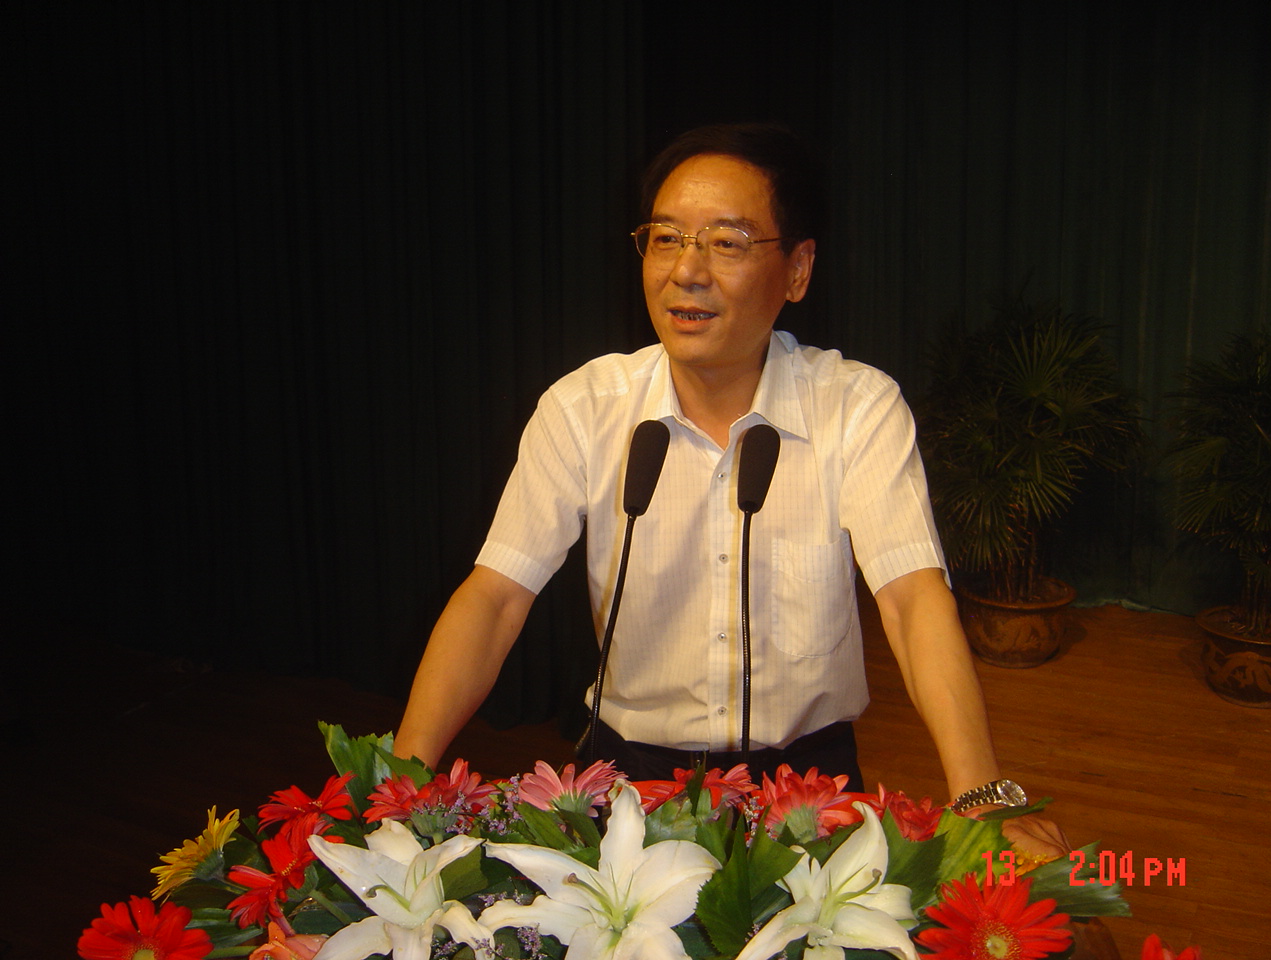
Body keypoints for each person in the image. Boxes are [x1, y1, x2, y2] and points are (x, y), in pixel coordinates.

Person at [393, 124, 1068, 854]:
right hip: (626, 780)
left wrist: (980, 797)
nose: (687, 270)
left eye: (728, 242)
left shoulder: (855, 407)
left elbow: (912, 602)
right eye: (666, 238)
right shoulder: (584, 408)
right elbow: (495, 598)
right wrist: (397, 786)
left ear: (798, 270)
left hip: (807, 788)